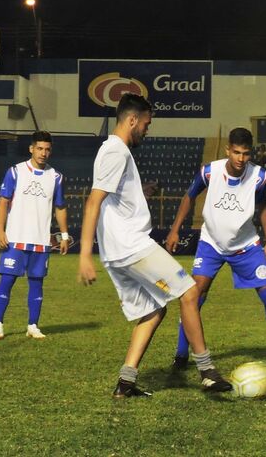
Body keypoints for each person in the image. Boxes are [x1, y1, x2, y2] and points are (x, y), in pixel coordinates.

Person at [77, 93, 231, 397]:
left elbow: (113, 197)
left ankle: (126, 382)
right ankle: (207, 371)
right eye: (146, 123)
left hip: (119, 252)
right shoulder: (116, 152)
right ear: (132, 120)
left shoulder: (113, 150)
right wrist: (83, 255)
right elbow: (93, 201)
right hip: (131, 247)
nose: (147, 129)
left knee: (153, 311)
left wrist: (140, 192)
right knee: (189, 292)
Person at [166, 127, 266, 369]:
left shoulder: (259, 176)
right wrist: (174, 230)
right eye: (236, 153)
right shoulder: (209, 172)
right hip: (211, 244)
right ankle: (181, 356)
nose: (241, 159)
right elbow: (189, 196)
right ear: (228, 150)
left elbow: (263, 206)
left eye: (246, 154)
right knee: (194, 296)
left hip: (246, 246)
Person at [0, 131, 69, 341]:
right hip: (15, 238)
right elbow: (3, 201)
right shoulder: (16, 172)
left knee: (37, 283)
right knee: (7, 281)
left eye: (47, 149)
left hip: (41, 241)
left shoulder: (56, 177)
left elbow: (60, 207)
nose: (44, 153)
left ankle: (33, 325)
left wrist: (64, 235)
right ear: (31, 149)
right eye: (40, 148)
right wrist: (0, 229)